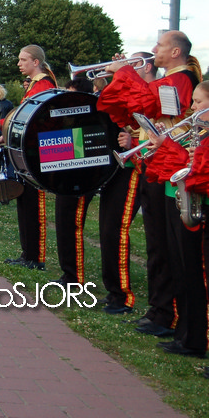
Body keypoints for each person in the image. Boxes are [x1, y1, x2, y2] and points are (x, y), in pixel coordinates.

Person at [98, 31, 200, 341]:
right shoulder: (171, 78)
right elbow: (136, 110)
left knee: (165, 247)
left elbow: (146, 101)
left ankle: (167, 313)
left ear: (175, 52)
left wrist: (125, 72)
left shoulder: (182, 79)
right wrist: (121, 76)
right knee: (157, 244)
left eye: (160, 45)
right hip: (154, 164)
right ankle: (160, 309)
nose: (154, 50)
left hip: (168, 166)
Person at [143, 78, 209, 357]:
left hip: (200, 205)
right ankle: (186, 334)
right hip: (184, 200)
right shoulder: (199, 131)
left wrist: (173, 148)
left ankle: (195, 337)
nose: (192, 107)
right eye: (192, 101)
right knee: (182, 271)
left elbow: (198, 170)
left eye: (198, 102)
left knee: (194, 274)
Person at [0, 45, 57, 270]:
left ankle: (36, 256)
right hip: (26, 151)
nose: (19, 64)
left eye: (23, 60)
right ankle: (28, 253)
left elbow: (32, 119)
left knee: (34, 205)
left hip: (35, 153)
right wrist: (5, 132)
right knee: (25, 203)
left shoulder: (43, 85)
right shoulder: (34, 84)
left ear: (36, 62)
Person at [97, 52, 156, 315]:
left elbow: (155, 127)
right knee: (107, 229)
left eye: (133, 64)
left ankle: (123, 296)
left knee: (116, 230)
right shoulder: (135, 88)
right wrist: (117, 77)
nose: (127, 68)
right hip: (124, 164)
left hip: (138, 167)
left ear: (147, 67)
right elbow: (112, 106)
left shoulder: (152, 91)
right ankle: (114, 292)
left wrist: (133, 140)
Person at [52, 74, 97, 285]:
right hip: (66, 177)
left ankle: (74, 275)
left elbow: (79, 148)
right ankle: (67, 272)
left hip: (81, 180)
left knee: (73, 225)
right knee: (63, 224)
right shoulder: (68, 116)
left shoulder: (89, 118)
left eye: (71, 96)